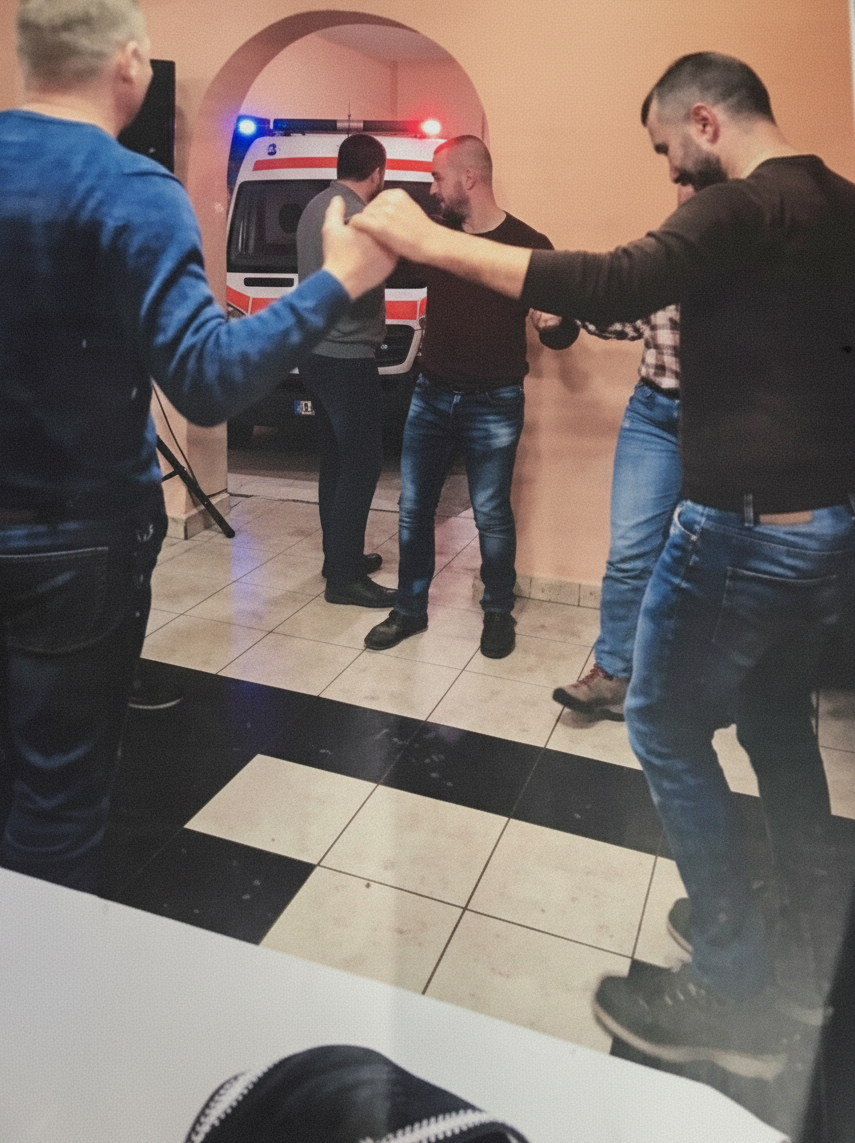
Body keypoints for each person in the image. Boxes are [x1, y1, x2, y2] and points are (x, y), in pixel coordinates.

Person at [353, 53, 855, 1078]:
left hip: (743, 531)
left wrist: (428, 238)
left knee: (661, 724)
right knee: (773, 723)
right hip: (821, 529)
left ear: (705, 121)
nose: (671, 170)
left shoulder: (740, 204)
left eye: (669, 148)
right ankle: (809, 951)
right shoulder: (837, 203)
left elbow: (617, 279)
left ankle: (733, 985)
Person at [0, 0, 395, 894]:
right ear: (130, 62)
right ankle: (33, 976)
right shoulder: (133, 188)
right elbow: (207, 381)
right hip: (74, 547)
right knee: (56, 803)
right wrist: (337, 280)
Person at [363, 135, 577, 659]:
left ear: (469, 178)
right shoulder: (438, 239)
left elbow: (564, 333)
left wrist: (555, 322)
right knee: (414, 509)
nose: (433, 189)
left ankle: (498, 612)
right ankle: (410, 610)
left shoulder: (529, 245)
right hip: (431, 394)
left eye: (438, 178)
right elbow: (383, 264)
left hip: (494, 402)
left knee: (491, 514)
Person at [554, 188, 694, 720]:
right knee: (631, 552)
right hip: (653, 417)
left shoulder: (757, 267)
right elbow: (624, 315)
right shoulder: (664, 259)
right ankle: (613, 673)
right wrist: (565, 307)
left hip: (723, 423)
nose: (682, 193)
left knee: (706, 557)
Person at [296, 134, 396, 609]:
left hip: (314, 352)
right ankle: (343, 579)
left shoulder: (315, 207)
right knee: (363, 463)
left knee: (335, 460)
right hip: (347, 356)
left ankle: (339, 557)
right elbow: (355, 291)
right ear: (377, 172)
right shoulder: (358, 217)